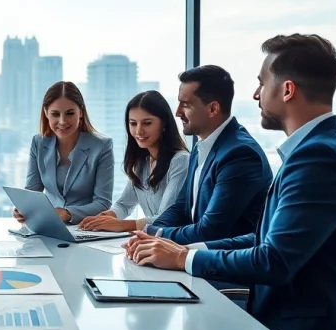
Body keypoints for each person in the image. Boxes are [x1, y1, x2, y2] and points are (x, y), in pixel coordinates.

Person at [128, 34, 336, 330]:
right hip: (287, 318)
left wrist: (185, 257)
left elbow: (273, 260)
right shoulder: (314, 149)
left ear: (288, 89)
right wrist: (179, 253)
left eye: (262, 83)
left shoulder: (320, 158)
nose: (256, 94)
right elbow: (264, 239)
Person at [130, 65, 272, 245]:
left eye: (186, 105)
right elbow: (181, 208)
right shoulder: (201, 147)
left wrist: (156, 235)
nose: (177, 112)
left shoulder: (240, 154)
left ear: (213, 109)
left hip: (224, 264)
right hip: (194, 255)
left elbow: (211, 231)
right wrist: (149, 233)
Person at [78, 90, 189, 233]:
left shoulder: (180, 161)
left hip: (173, 244)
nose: (139, 131)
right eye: (133, 123)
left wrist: (122, 225)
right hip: (151, 241)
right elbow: (124, 204)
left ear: (164, 124)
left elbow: (166, 218)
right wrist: (104, 218)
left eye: (147, 123)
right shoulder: (142, 162)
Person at [14, 81, 114, 225]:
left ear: (80, 112)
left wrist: (68, 213)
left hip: (86, 227)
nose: (62, 121)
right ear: (46, 113)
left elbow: (103, 203)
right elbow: (32, 192)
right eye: (55, 114)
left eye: (69, 113)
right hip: (48, 226)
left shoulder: (102, 146)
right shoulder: (38, 142)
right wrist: (23, 208)